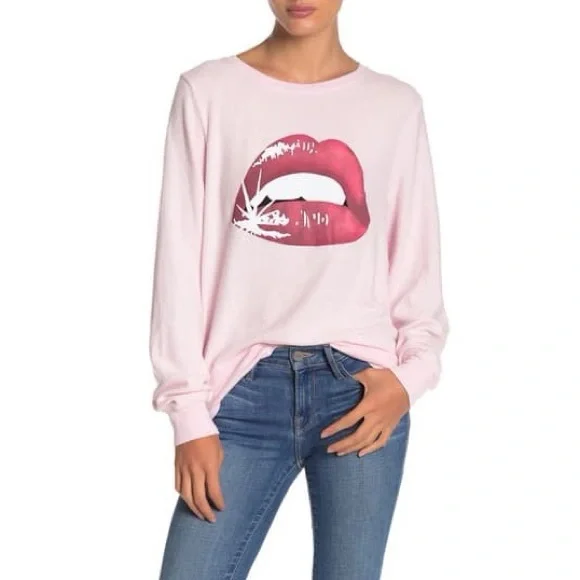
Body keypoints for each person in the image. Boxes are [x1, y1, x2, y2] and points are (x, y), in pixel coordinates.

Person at [148, 1, 449, 578]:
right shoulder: (207, 92)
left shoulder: (395, 106)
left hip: (362, 393)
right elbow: (178, 261)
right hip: (238, 394)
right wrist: (187, 413)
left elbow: (416, 265)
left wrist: (409, 380)